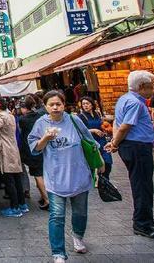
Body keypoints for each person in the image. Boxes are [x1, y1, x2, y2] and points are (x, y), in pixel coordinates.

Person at [28, 91, 99, 263]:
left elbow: (90, 141)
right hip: (55, 178)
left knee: (80, 212)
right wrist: (45, 138)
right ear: (45, 106)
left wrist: (100, 163)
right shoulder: (41, 123)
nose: (55, 107)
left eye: (58, 104)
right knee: (57, 216)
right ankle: (58, 253)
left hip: (79, 174)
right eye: (51, 104)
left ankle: (78, 237)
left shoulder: (74, 120)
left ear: (64, 104)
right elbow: (34, 149)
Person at [105, 70, 154, 241]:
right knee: (142, 185)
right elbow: (124, 126)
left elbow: (117, 124)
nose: (153, 89)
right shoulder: (136, 103)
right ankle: (142, 223)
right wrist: (114, 144)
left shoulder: (124, 99)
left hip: (132, 146)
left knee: (142, 183)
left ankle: (145, 217)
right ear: (142, 86)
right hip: (137, 147)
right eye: (151, 86)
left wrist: (114, 141)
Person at [0, 98, 26, 217]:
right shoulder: (10, 115)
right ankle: (22, 204)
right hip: (12, 149)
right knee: (16, 178)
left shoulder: (2, 117)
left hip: (6, 151)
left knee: (9, 180)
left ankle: (15, 208)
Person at [18, 96, 49, 210]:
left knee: (37, 175)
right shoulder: (41, 116)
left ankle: (47, 200)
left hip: (31, 149)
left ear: (24, 108)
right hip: (43, 146)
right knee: (44, 173)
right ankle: (44, 196)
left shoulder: (23, 120)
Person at [78, 96, 113, 179]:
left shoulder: (97, 113)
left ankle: (105, 181)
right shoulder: (81, 117)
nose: (85, 105)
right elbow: (80, 132)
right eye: (83, 104)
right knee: (99, 164)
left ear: (92, 105)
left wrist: (105, 129)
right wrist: (93, 130)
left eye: (87, 103)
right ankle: (102, 183)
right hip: (92, 144)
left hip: (102, 141)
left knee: (108, 163)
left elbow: (101, 125)